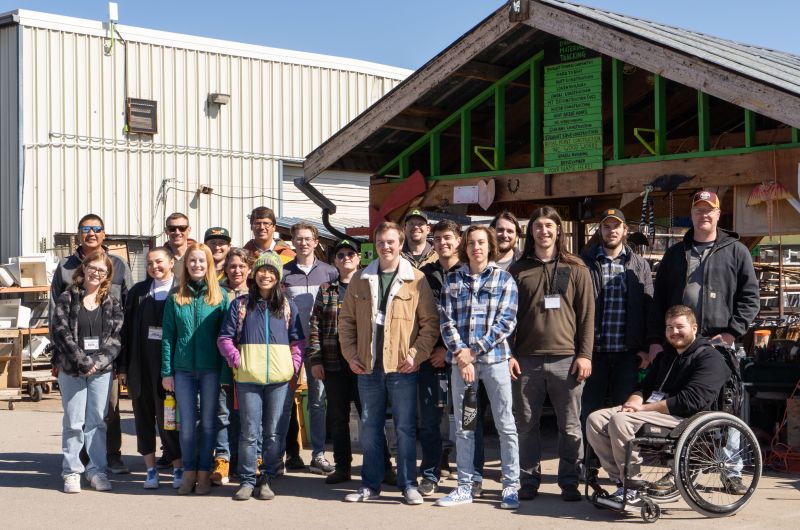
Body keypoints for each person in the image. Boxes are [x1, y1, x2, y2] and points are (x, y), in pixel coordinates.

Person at [645, 190, 759, 495]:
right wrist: (655, 340)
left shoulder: (736, 251)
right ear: (692, 214)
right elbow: (658, 301)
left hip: (719, 344)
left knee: (727, 406)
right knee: (680, 405)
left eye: (709, 210)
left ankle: (730, 471)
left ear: (718, 214)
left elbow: (750, 298)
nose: (704, 214)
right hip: (679, 345)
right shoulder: (675, 253)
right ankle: (678, 469)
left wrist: (733, 332)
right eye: (698, 209)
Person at [586, 305, 730, 503]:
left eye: (679, 326)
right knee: (595, 419)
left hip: (685, 417)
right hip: (655, 411)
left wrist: (642, 408)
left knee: (621, 420)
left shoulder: (710, 358)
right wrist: (633, 401)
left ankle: (633, 485)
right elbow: (645, 387)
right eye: (669, 327)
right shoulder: (666, 356)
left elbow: (691, 401)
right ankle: (621, 482)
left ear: (694, 328)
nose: (674, 332)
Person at [339, 222, 439, 504]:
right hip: (367, 367)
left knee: (405, 428)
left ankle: (408, 485)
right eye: (381, 242)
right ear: (375, 245)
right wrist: (351, 355)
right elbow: (345, 322)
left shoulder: (416, 279)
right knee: (370, 427)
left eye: (391, 241)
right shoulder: (361, 279)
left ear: (401, 244)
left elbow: (430, 324)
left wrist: (415, 355)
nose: (386, 247)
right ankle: (370, 485)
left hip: (402, 367)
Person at [509, 206, 594, 502]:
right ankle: (528, 480)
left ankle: (570, 481)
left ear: (559, 230)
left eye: (549, 226)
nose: (543, 231)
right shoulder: (518, 270)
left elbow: (587, 317)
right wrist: (509, 354)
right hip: (526, 360)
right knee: (526, 426)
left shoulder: (577, 268)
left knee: (570, 427)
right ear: (530, 232)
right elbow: (507, 317)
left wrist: (585, 355)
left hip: (567, 360)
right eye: (538, 226)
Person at [436, 225, 520, 509]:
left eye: (482, 242)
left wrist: (472, 352)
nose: (476, 248)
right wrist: (462, 355)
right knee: (465, 426)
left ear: (490, 246)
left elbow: (506, 322)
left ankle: (510, 486)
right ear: (465, 247)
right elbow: (446, 321)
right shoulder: (453, 280)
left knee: (505, 425)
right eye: (471, 243)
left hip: (495, 363)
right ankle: (465, 486)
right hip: (462, 367)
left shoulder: (504, 279)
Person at [49, 213, 133, 476]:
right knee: (75, 415)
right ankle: (78, 463)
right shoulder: (65, 266)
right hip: (71, 357)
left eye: (96, 229)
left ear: (104, 234)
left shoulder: (119, 264)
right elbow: (55, 317)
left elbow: (128, 311)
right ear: (79, 234)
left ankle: (111, 456)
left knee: (108, 410)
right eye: (86, 229)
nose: (91, 233)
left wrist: (119, 360)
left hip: (106, 358)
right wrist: (57, 357)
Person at [218, 252, 305, 501]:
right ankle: (247, 480)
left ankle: (266, 477)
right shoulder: (241, 305)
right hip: (248, 378)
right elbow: (224, 338)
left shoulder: (287, 306)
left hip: (279, 379)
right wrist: (237, 360)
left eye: (271, 271)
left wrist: (293, 366)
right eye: (261, 270)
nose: (266, 275)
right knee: (249, 431)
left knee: (273, 432)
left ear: (278, 277)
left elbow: (298, 341)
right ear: (254, 274)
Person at [161, 243, 228, 495]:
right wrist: (166, 372)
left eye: (201, 260)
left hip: (211, 369)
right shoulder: (176, 297)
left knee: (209, 424)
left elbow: (226, 338)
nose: (197, 265)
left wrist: (224, 373)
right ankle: (188, 473)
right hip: (183, 370)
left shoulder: (221, 296)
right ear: (185, 265)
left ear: (208, 264)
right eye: (192, 260)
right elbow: (168, 337)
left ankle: (204, 474)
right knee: (187, 425)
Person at [579, 209, 653, 429]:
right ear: (600, 230)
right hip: (593, 353)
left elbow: (648, 307)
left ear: (625, 230)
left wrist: (646, 347)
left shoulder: (639, 265)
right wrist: (580, 350)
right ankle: (589, 452)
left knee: (625, 413)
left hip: (628, 354)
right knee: (588, 411)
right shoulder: (584, 263)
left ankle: (621, 452)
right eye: (606, 226)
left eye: (616, 226)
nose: (611, 231)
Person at [118, 247, 183, 490]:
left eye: (159, 262)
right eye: (150, 263)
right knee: (143, 420)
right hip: (140, 366)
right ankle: (151, 470)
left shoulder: (181, 290)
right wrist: (123, 367)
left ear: (171, 262)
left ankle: (178, 468)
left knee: (169, 422)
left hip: (170, 370)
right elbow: (125, 331)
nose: (154, 266)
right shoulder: (138, 292)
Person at [280, 222, 338, 474]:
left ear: (316, 242)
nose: (303, 243)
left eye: (307, 239)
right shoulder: (283, 273)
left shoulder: (330, 272)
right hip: (290, 347)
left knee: (317, 402)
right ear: (292, 242)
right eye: (298, 239)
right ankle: (280, 455)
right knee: (284, 402)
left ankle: (318, 454)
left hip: (318, 348)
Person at [417, 220, 463, 496]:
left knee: (468, 420)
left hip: (464, 358)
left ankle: (471, 475)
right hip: (429, 358)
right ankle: (430, 473)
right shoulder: (423, 275)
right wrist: (430, 351)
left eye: (447, 237)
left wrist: (449, 351)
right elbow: (419, 317)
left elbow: (473, 318)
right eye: (437, 239)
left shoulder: (469, 272)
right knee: (430, 421)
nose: (442, 243)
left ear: (458, 240)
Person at [212, 247, 251, 486]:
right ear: (225, 268)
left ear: (249, 269)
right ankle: (223, 459)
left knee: (245, 415)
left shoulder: (256, 294)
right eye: (232, 266)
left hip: (249, 363)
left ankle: (243, 459)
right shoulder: (217, 293)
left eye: (241, 266)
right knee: (223, 413)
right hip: (222, 363)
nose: (237, 270)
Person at [164, 213, 193, 283]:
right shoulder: (159, 258)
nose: (177, 232)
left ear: (189, 230)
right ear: (166, 231)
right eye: (172, 229)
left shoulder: (198, 256)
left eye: (182, 228)